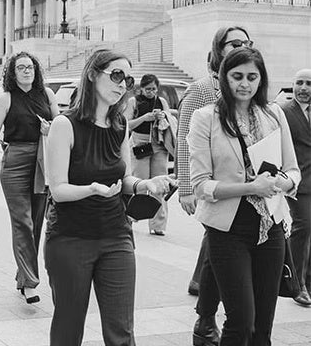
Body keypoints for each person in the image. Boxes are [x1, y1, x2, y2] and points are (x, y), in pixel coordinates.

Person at [45, 49, 174, 346]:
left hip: (116, 236)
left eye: (127, 79)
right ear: (92, 74)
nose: (122, 84)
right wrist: (92, 189)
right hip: (70, 239)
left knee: (121, 333)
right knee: (68, 327)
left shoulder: (120, 126)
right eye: (116, 75)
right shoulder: (65, 125)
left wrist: (145, 185)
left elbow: (125, 178)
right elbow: (58, 190)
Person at [188, 47, 299, 345]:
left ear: (261, 79)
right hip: (227, 230)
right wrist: (251, 187)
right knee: (242, 321)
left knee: (263, 326)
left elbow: (293, 171)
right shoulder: (204, 118)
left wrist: (281, 183)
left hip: (270, 228)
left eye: (252, 77)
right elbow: (201, 185)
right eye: (237, 76)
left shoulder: (273, 113)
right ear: (224, 78)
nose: (244, 84)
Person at [177, 25, 252, 346]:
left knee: (214, 253)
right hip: (216, 187)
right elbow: (183, 138)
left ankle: (205, 317)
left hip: (248, 187)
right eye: (234, 43)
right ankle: (206, 319)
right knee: (215, 250)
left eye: (246, 43)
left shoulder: (247, 84)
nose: (241, 47)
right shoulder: (204, 89)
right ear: (218, 48)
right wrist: (184, 187)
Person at [0, 51, 58, 304]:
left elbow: (60, 127)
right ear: (13, 72)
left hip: (42, 161)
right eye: (21, 68)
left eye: (30, 67)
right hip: (15, 162)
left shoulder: (47, 95)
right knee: (23, 222)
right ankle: (30, 283)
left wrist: (51, 129)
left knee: (36, 223)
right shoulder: (6, 98)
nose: (27, 71)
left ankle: (23, 276)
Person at [124, 74, 173, 235]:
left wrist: (162, 117)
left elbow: (169, 122)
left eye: (154, 89)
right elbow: (126, 124)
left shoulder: (162, 101)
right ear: (141, 89)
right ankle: (131, 217)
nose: (151, 92)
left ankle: (158, 225)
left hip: (158, 143)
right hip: (140, 142)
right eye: (147, 89)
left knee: (160, 185)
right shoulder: (134, 102)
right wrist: (144, 118)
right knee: (140, 183)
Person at [281, 69, 311, 306]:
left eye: (309, 84)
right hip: (298, 183)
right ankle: (295, 284)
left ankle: (307, 282)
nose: (303, 88)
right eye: (299, 83)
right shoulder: (284, 112)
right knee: (304, 225)